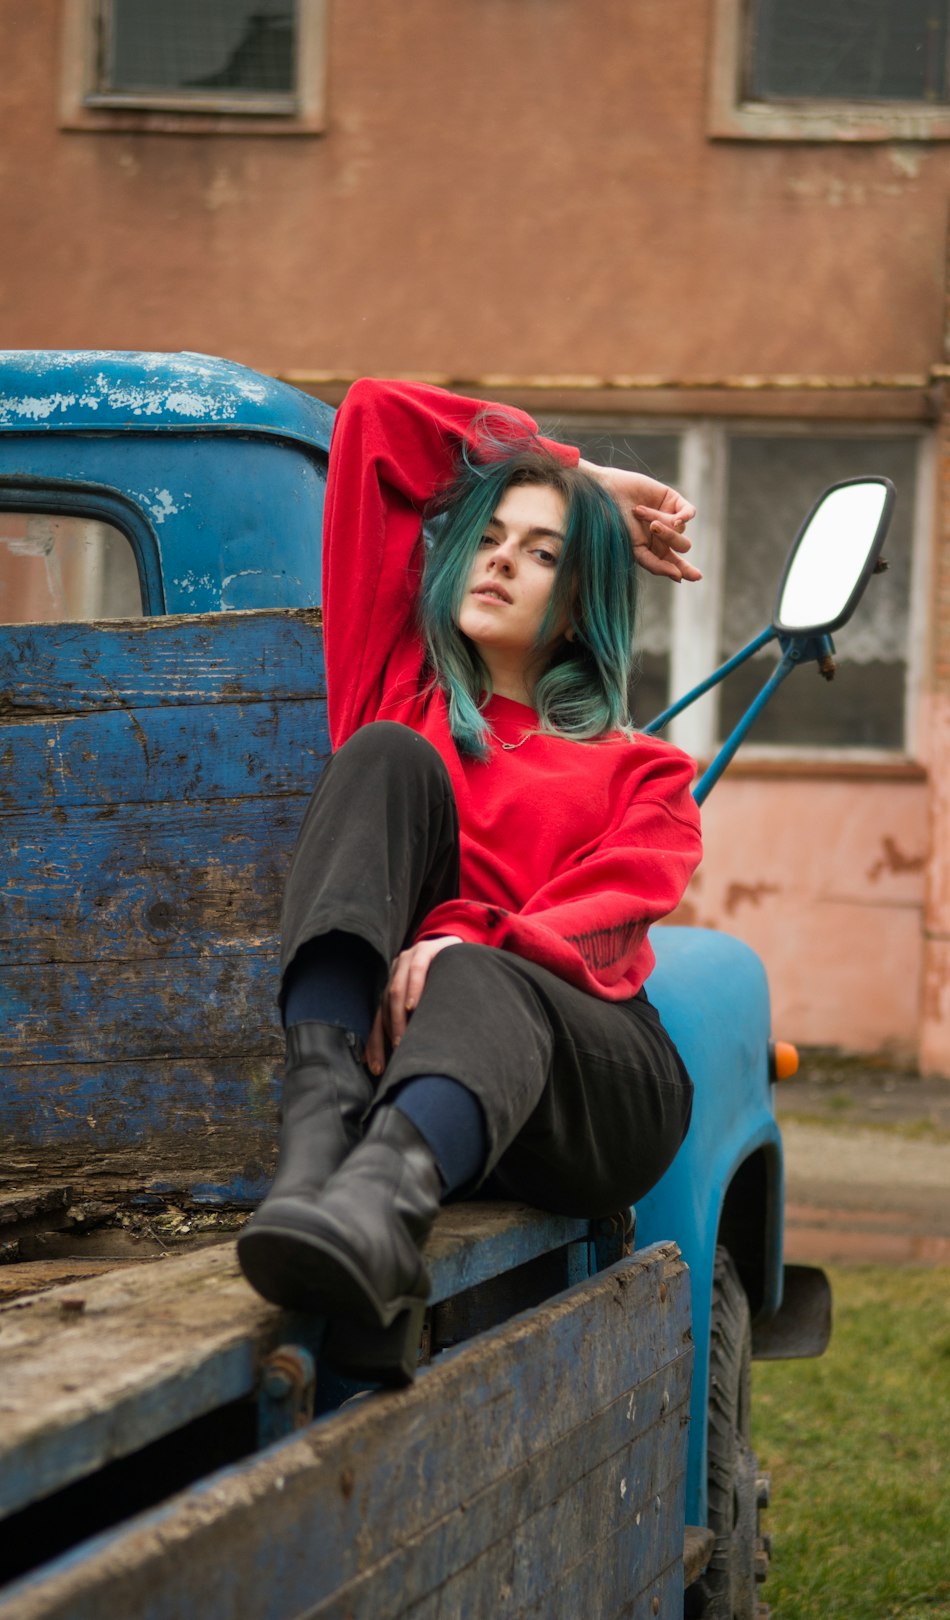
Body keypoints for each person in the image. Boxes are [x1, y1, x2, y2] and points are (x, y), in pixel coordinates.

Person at [237, 378, 703, 1383]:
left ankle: (378, 1205)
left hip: (593, 1084)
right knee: (380, 757)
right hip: (415, 1060)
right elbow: (375, 424)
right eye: (492, 535)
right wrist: (579, 476)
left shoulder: (640, 769)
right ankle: (323, 1143)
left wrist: (474, 943)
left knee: (481, 977)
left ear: (580, 605)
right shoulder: (399, 691)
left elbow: (608, 933)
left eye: (543, 552)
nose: (500, 558)